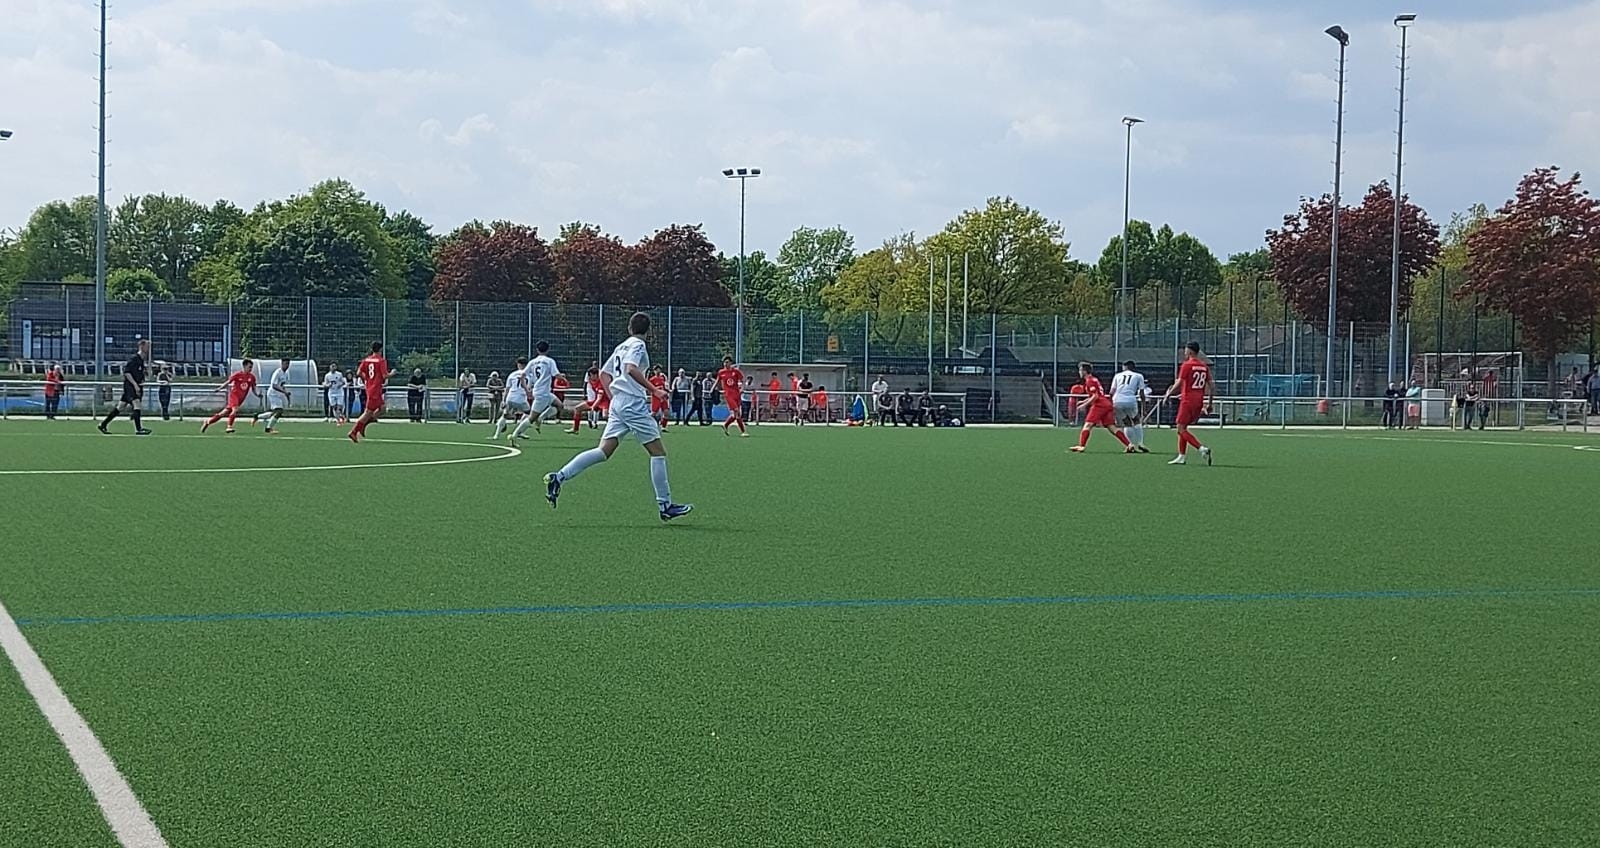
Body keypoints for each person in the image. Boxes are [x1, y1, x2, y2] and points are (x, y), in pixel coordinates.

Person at [543, 311, 692, 521]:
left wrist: (614, 397)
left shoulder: (621, 346)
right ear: (648, 331)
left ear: (629, 328)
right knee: (658, 453)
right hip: (632, 404)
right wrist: (654, 390)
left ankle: (559, 477)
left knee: (603, 451)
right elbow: (630, 369)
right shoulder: (638, 345)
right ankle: (665, 505)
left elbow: (604, 374)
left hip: (619, 403)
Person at [1161, 342, 1214, 465]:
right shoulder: (1204, 366)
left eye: (1185, 350)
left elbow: (1179, 383)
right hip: (1199, 401)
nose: (1184, 352)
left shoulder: (1187, 365)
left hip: (1187, 400)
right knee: (1183, 427)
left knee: (1180, 428)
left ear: (1190, 351)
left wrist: (1168, 394)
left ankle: (1201, 448)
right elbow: (1212, 386)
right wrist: (1210, 404)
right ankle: (1181, 456)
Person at [1069, 362, 1133, 453]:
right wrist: (1084, 401)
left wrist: (1084, 405)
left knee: (1088, 425)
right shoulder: (1094, 379)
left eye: (1080, 370)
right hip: (1106, 403)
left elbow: (1095, 396)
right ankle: (1129, 445)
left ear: (1084, 371)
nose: (1079, 372)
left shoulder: (1090, 381)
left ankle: (1081, 446)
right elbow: (1096, 394)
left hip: (1099, 405)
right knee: (1111, 427)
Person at [98, 338, 153, 435]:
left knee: (120, 407)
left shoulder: (141, 360)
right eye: (147, 346)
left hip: (134, 386)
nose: (149, 348)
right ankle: (139, 429)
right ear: (141, 346)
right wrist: (135, 385)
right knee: (137, 404)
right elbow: (127, 372)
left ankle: (103, 424)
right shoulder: (134, 359)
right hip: (130, 386)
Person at [514, 341, 564, 439]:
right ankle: (515, 434)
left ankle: (541, 418)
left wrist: (527, 389)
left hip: (542, 391)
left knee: (560, 405)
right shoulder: (550, 361)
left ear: (537, 350)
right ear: (548, 350)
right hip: (543, 393)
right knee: (532, 418)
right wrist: (563, 378)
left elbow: (522, 375)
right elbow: (556, 374)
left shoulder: (532, 362)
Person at [348, 342, 391, 443]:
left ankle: (364, 425)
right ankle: (354, 431)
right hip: (375, 389)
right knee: (368, 412)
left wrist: (367, 379)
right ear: (380, 350)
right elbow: (385, 376)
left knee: (382, 408)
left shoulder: (366, 360)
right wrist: (392, 373)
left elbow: (359, 373)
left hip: (371, 388)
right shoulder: (381, 361)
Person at [201, 358, 258, 434]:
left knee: (223, 413)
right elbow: (228, 382)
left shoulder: (252, 377)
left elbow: (253, 388)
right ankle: (229, 427)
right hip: (234, 396)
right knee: (235, 410)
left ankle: (208, 422)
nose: (251, 369)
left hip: (241, 399)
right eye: (249, 367)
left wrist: (257, 394)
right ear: (244, 366)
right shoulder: (237, 375)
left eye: (251, 367)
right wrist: (219, 388)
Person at [1109, 360, 1150, 453]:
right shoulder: (1138, 376)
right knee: (1136, 420)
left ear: (1125, 367)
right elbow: (1142, 393)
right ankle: (1140, 443)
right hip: (1130, 400)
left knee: (1126, 422)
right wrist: (1144, 407)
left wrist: (1111, 404)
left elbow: (1111, 392)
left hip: (1117, 400)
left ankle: (1130, 445)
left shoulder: (1117, 375)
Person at [493, 357, 532, 441]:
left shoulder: (512, 374)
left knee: (505, 415)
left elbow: (507, 389)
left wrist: (503, 400)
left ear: (518, 365)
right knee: (530, 414)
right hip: (521, 398)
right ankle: (520, 431)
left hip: (510, 397)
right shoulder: (529, 375)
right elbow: (530, 387)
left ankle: (496, 435)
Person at [252, 357, 292, 434]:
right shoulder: (277, 372)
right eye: (285, 364)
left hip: (278, 395)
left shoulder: (286, 374)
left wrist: (287, 396)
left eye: (288, 364)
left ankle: (257, 416)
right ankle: (268, 428)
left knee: (274, 413)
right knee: (279, 411)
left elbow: (282, 386)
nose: (287, 365)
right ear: (281, 364)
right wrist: (284, 392)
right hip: (273, 394)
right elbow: (274, 385)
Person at [569, 367, 608, 435]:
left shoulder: (601, 382)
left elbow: (600, 398)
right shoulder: (591, 381)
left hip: (605, 402)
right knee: (578, 408)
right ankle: (575, 429)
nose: (589, 377)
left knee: (606, 416)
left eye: (591, 375)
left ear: (596, 375)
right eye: (589, 375)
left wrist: (593, 407)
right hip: (596, 401)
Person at [717, 356, 749, 437]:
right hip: (729, 395)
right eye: (724, 362)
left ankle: (725, 425)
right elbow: (717, 381)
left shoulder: (736, 371)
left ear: (731, 363)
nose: (725, 364)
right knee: (737, 411)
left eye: (727, 362)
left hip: (737, 394)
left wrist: (742, 388)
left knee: (735, 415)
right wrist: (713, 389)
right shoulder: (721, 372)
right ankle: (743, 431)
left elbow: (742, 380)